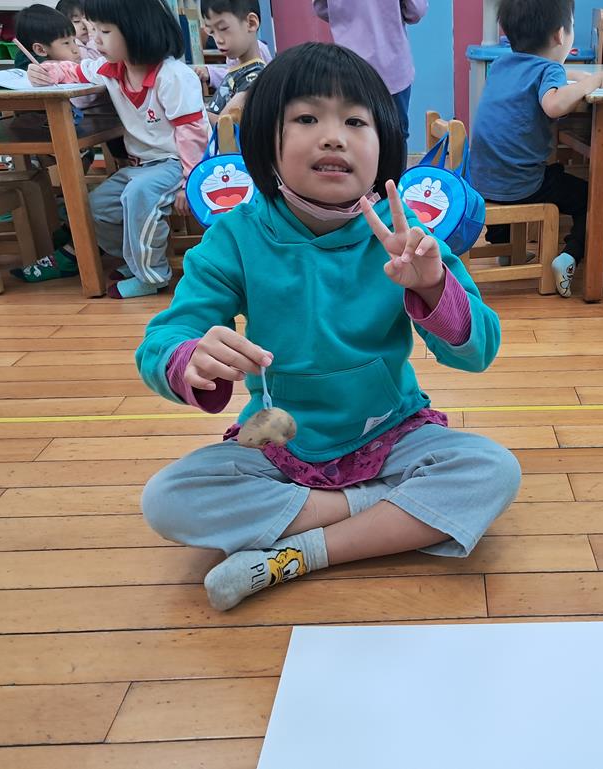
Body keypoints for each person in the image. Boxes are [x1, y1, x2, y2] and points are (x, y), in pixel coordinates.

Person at [137, 43, 521, 612]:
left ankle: (298, 554)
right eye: (306, 118)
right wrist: (189, 355)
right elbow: (165, 339)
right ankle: (379, 510)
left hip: (391, 431)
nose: (334, 137)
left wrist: (433, 287)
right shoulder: (235, 235)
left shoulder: (406, 236)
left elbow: (478, 351)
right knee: (167, 499)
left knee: (493, 470)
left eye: (356, 122)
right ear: (266, 141)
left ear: (384, 145)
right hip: (278, 440)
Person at [18, 0, 210, 299]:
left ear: (136, 31)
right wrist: (46, 72)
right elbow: (74, 71)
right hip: (143, 166)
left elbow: (192, 134)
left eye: (104, 32)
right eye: (94, 30)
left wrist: (190, 182)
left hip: (179, 163)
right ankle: (135, 262)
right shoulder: (111, 69)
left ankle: (151, 276)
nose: (94, 40)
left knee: (139, 195)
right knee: (95, 206)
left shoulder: (172, 75)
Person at [470, 0, 603, 297]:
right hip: (523, 185)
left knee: (521, 166)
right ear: (559, 35)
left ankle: (505, 247)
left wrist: (576, 77)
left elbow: (545, 81)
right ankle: (570, 256)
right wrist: (595, 80)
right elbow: (553, 105)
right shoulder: (550, 69)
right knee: (594, 198)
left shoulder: (502, 65)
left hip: (482, 180)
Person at [312, 0, 427, 151]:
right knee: (395, 137)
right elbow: (416, 11)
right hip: (391, 66)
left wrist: (348, 20)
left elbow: (320, 8)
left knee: (352, 133)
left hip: (349, 65)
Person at [195, 0, 270, 123]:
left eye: (223, 28)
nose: (218, 40)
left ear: (251, 23)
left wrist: (192, 111)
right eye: (211, 32)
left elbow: (224, 125)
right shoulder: (238, 70)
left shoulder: (254, 77)